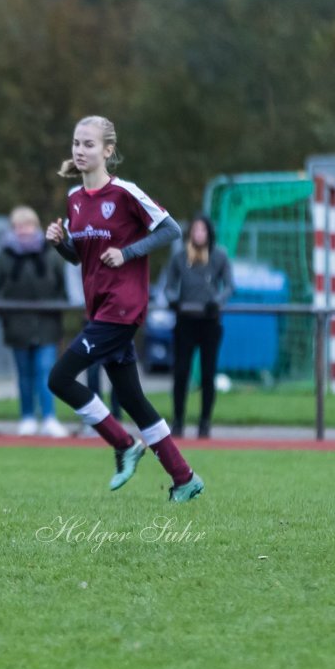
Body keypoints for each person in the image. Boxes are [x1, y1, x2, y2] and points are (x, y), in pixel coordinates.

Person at [45, 115, 203, 502]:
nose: (80, 151)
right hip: (100, 309)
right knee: (132, 397)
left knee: (59, 379)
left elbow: (171, 230)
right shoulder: (75, 200)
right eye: (76, 144)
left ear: (108, 151)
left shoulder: (125, 193)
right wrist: (60, 244)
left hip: (123, 307)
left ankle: (122, 443)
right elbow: (83, 258)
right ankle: (184, 478)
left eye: (89, 144)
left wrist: (129, 251)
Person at [0, 205, 68, 437]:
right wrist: (6, 313)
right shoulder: (5, 257)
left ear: (36, 226)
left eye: (28, 225)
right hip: (16, 326)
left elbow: (62, 287)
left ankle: (50, 417)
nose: (24, 230)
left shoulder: (50, 254)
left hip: (47, 327)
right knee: (24, 374)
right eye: (19, 226)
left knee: (45, 371)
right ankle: (27, 417)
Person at [166, 214, 234, 439]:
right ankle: (178, 421)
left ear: (209, 233)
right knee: (181, 372)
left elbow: (230, 285)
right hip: (185, 321)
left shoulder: (219, 256)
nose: (199, 234)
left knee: (208, 374)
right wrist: (174, 300)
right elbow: (169, 287)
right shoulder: (180, 258)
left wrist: (217, 302)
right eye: (195, 230)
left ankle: (205, 423)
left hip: (209, 322)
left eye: (202, 230)